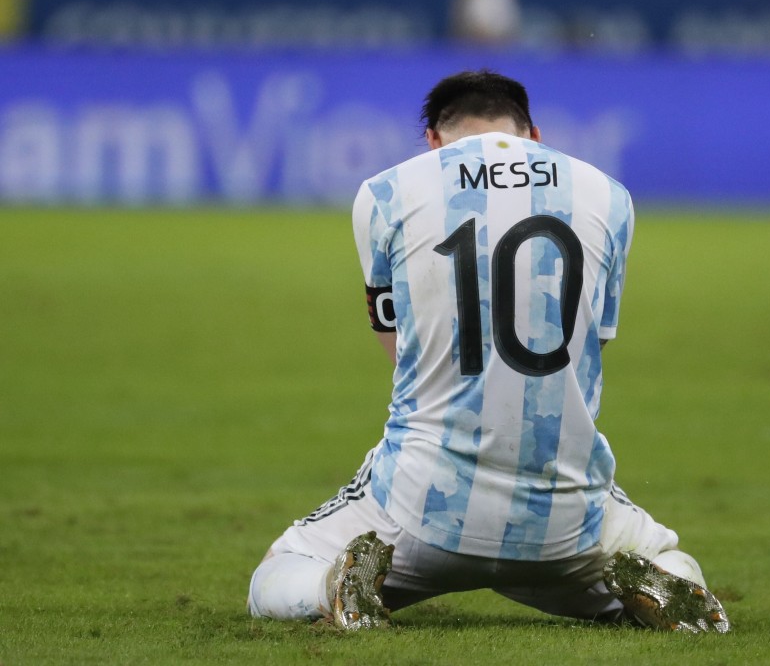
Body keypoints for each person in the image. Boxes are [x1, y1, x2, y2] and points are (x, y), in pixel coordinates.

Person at [246, 70, 730, 634]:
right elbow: (590, 348)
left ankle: (334, 586)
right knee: (661, 551)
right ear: (535, 134)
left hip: (419, 511)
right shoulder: (609, 197)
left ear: (431, 138)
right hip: (564, 518)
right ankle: (672, 588)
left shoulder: (385, 193)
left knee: (277, 571)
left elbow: (401, 354)